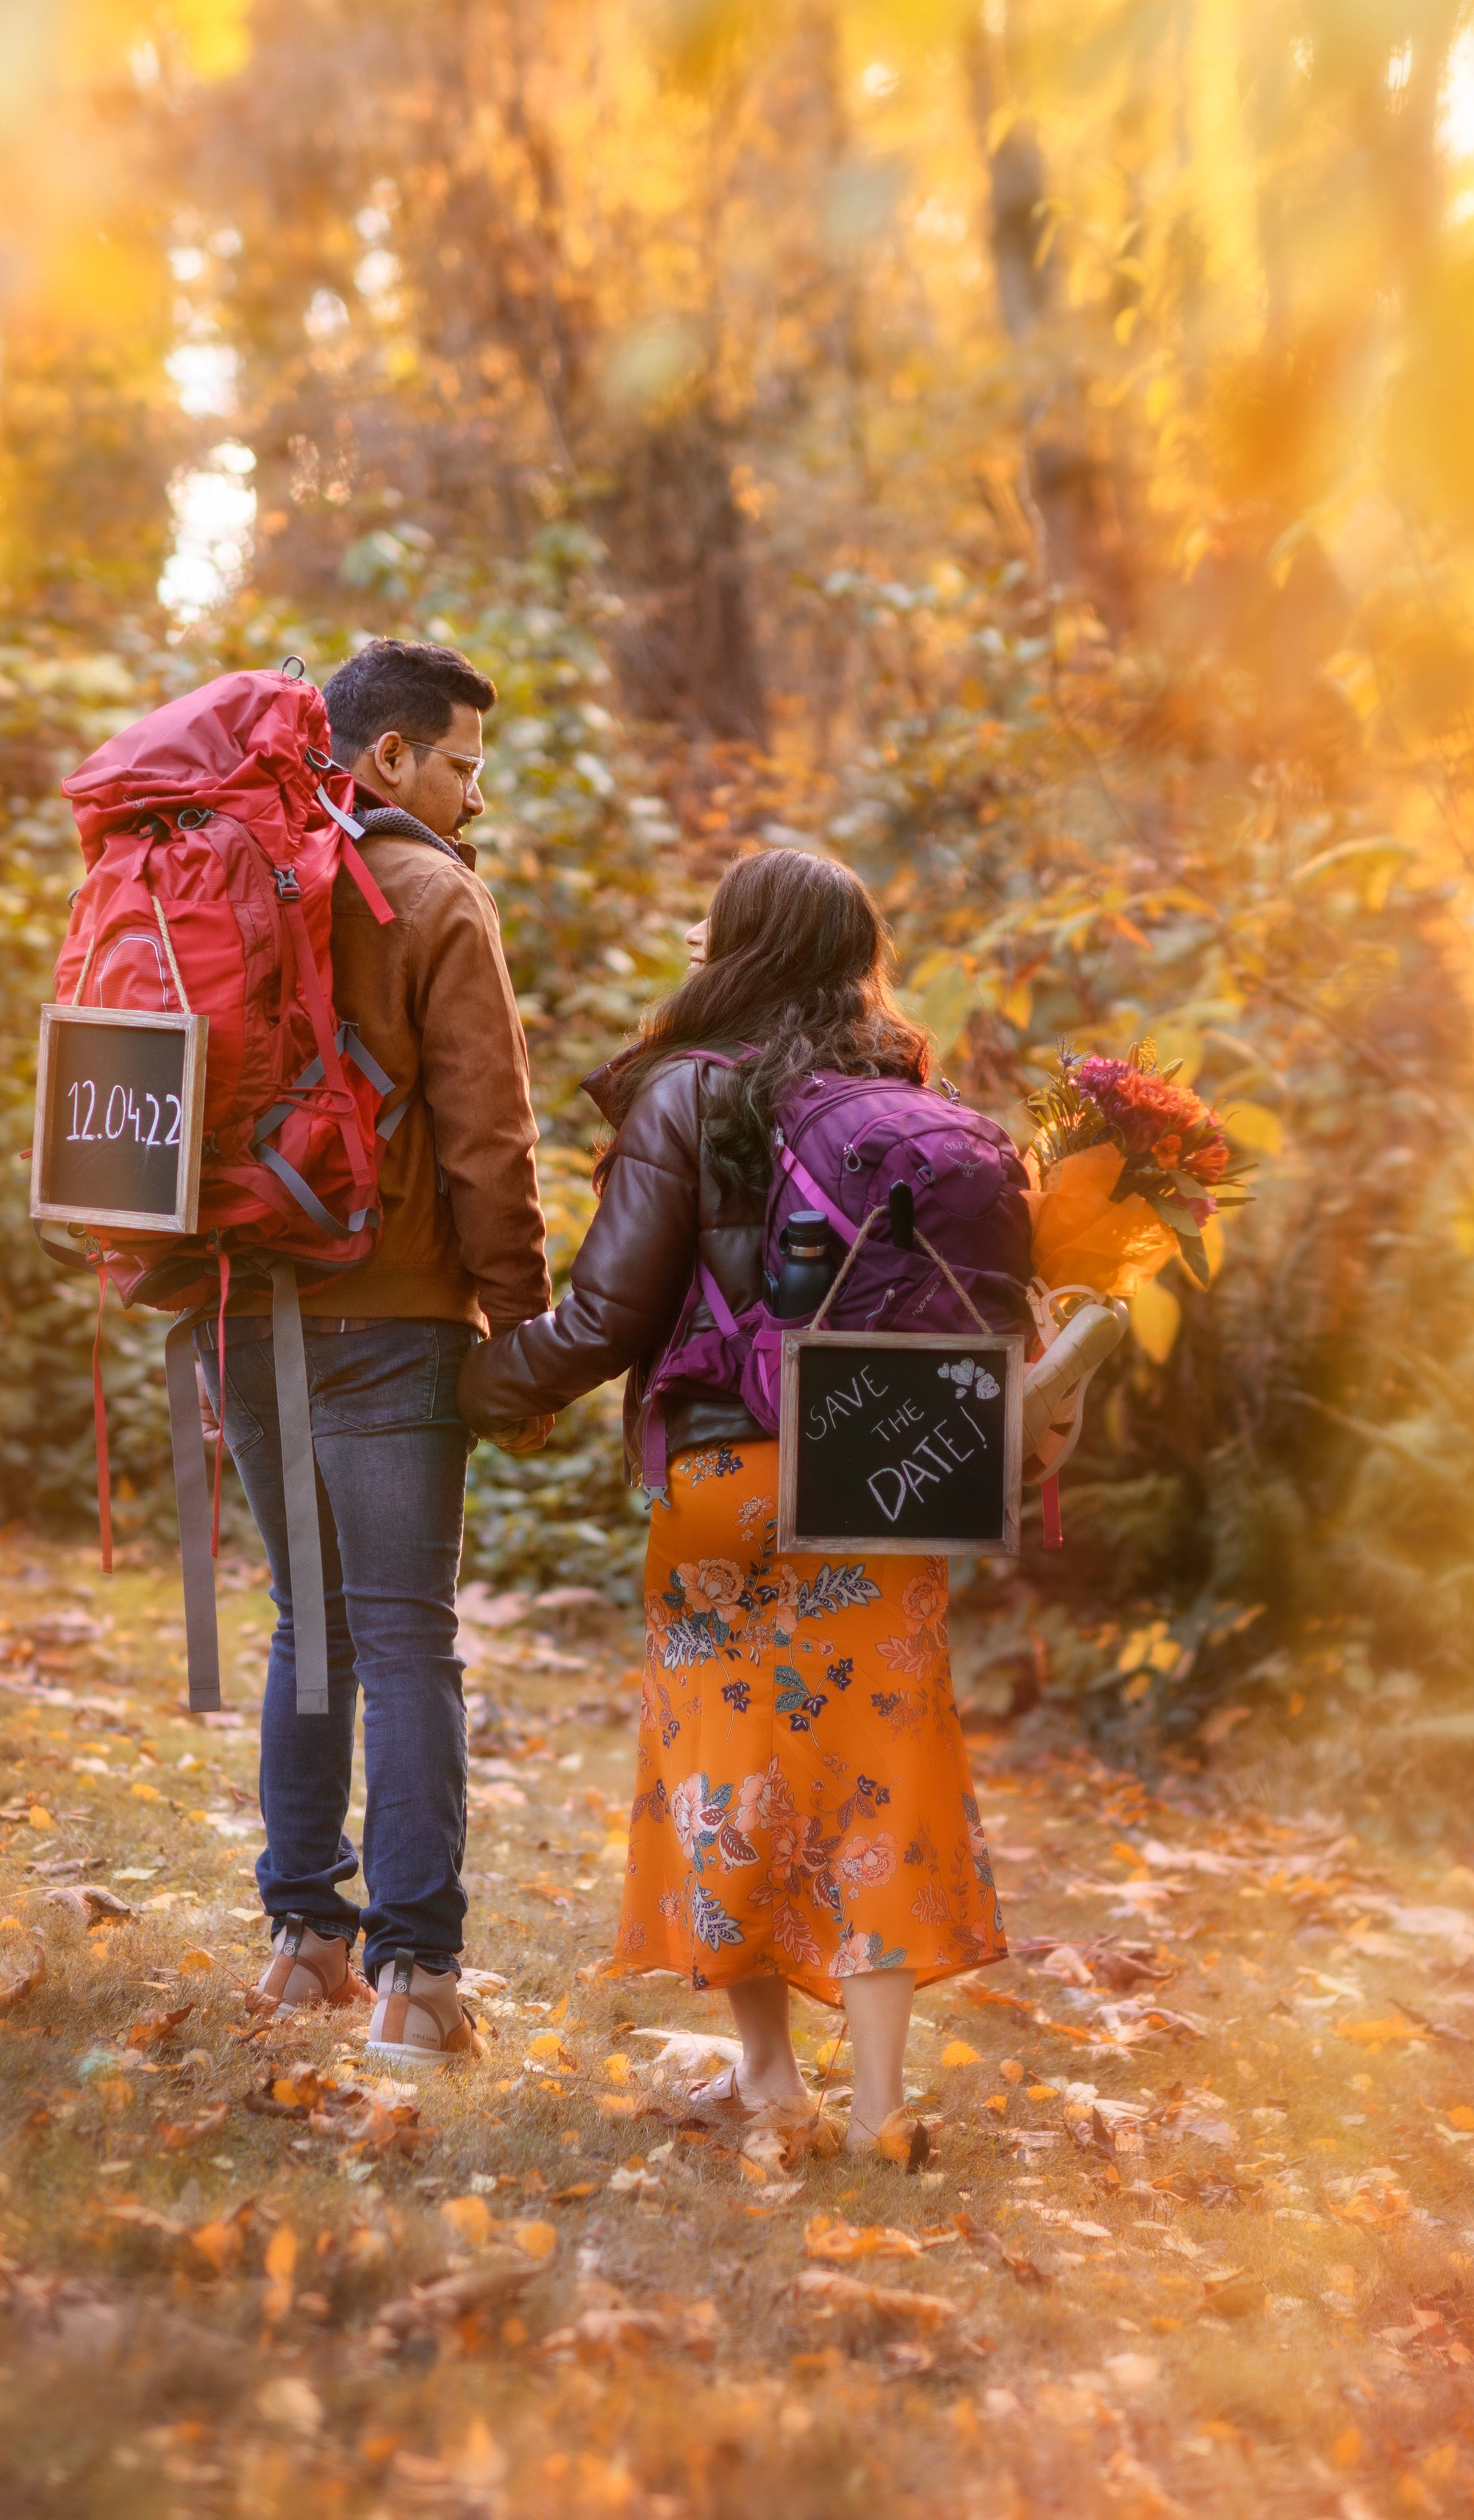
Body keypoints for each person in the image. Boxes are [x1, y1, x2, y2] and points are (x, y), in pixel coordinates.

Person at [458, 848, 1006, 2147]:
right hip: (886, 1470)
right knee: (882, 1773)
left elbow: (604, 1313)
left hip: (724, 1479)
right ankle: (879, 2108)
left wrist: (479, 1387)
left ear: (732, 945)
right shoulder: (903, 1107)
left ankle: (770, 2077)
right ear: (857, 958)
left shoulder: (694, 1096)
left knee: (732, 1771)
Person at [202, 637, 551, 2067]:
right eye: (462, 761)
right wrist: (519, 1325)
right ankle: (415, 1981)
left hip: (240, 1310)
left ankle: (303, 1946)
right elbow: (489, 1138)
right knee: (405, 1642)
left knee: (309, 1625)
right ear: (390, 755)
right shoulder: (432, 896)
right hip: (392, 1321)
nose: (476, 794)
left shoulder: (225, 879)